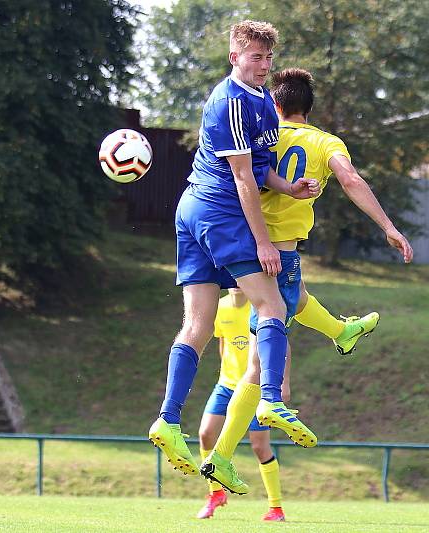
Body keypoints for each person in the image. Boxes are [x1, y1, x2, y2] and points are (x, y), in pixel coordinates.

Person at [200, 67, 414, 493]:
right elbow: (351, 179)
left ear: (274, 104)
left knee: (291, 305)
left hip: (241, 247)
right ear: (308, 108)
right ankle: (223, 456)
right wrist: (387, 225)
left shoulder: (260, 131)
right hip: (279, 253)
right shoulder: (324, 141)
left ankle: (343, 330)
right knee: (260, 370)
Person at [146, 21, 320, 482]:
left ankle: (166, 420)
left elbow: (261, 173)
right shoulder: (232, 102)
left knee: (198, 323)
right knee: (273, 303)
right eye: (255, 57)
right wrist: (263, 242)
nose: (263, 65)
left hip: (195, 210)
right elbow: (242, 180)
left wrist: (290, 187)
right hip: (217, 213)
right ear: (234, 58)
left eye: (268, 58)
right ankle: (272, 400)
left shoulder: (262, 98)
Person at [196, 288, 288, 521]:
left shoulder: (260, 306)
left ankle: (276, 508)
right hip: (226, 385)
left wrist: (283, 383)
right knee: (206, 434)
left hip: (253, 388)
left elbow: (281, 346)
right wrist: (224, 374)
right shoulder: (220, 306)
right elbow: (223, 344)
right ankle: (215, 493)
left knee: (259, 446)